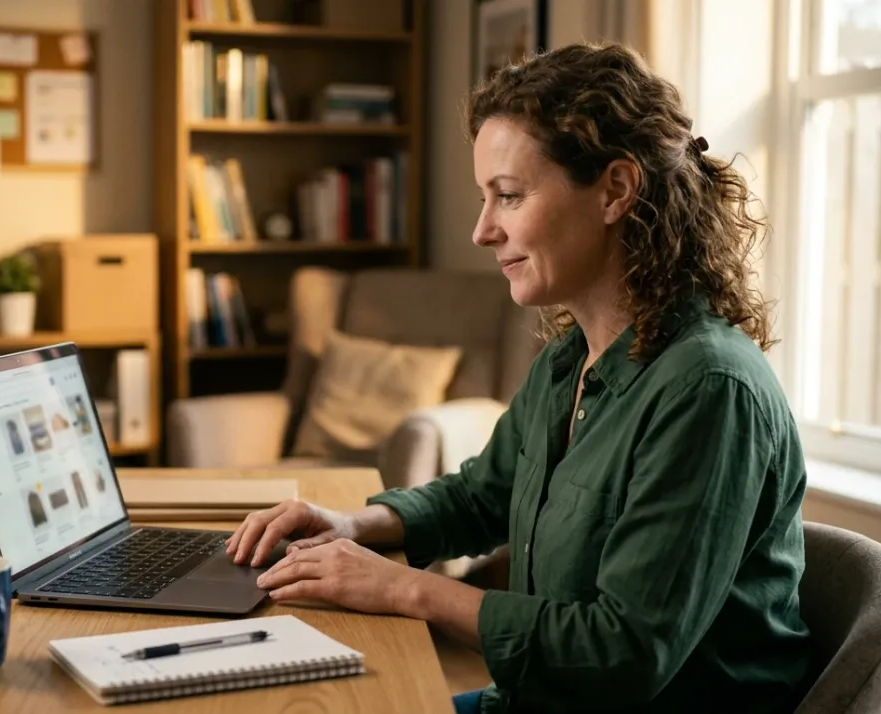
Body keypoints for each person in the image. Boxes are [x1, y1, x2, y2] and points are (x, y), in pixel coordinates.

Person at [226, 42, 811, 714]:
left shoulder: (709, 391)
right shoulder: (574, 358)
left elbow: (621, 654)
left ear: (616, 190)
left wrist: (400, 588)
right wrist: (350, 526)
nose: (481, 231)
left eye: (508, 196)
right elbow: (483, 496)